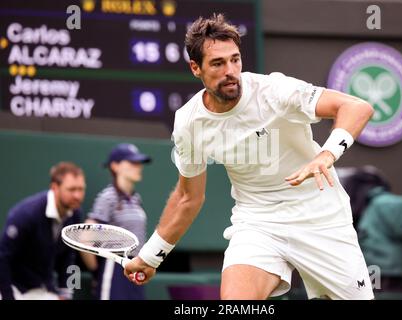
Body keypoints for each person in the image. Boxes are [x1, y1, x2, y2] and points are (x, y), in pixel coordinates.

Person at [124, 13, 375, 300]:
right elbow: (187, 198)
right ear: (196, 68)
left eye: (235, 59)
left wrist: (327, 154)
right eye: (218, 63)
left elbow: (357, 107)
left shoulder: (275, 91)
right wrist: (151, 257)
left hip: (320, 217)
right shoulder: (189, 123)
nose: (231, 70)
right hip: (258, 223)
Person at [0, 162, 85, 300]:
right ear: (54, 187)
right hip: (9, 286)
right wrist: (7, 296)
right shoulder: (27, 214)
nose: (77, 195)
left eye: (81, 189)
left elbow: (70, 259)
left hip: (41, 289)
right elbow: (2, 258)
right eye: (71, 189)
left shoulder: (75, 214)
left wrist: (67, 295)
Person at [80, 143, 151, 300]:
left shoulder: (136, 199)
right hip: (114, 270)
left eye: (139, 163)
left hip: (136, 269)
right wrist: (98, 272)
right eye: (132, 163)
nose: (138, 167)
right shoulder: (107, 197)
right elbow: (86, 239)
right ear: (115, 166)